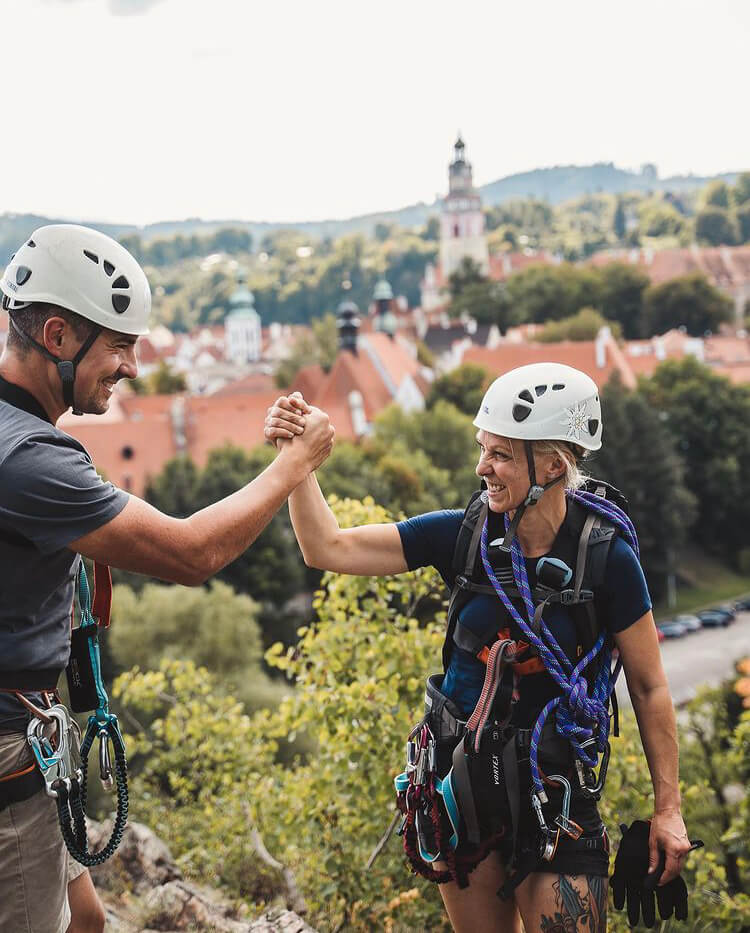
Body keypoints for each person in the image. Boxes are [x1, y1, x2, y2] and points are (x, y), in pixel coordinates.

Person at [264, 364, 693, 933]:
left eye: (501, 455)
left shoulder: (606, 559)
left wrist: (669, 810)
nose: (482, 468)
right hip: (462, 782)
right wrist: (297, 462)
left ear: (553, 464)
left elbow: (649, 685)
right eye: (482, 449)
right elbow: (328, 547)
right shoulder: (465, 536)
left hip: (555, 795)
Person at [0, 224, 334, 933]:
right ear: (57, 334)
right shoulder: (28, 460)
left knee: (87, 917)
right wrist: (294, 464)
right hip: (8, 744)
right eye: (118, 344)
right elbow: (191, 554)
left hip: (28, 725)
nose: (131, 365)